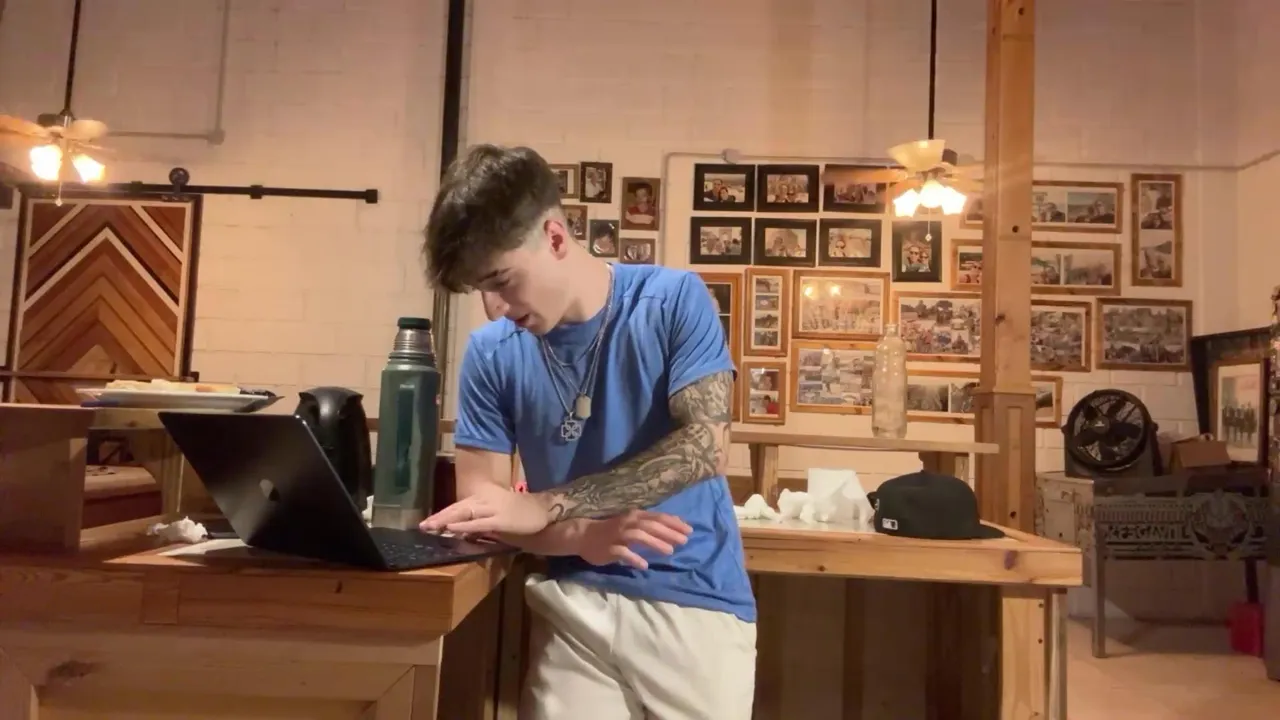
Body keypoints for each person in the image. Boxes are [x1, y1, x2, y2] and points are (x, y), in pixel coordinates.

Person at [420, 144, 756, 720]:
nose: (494, 308)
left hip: (697, 602)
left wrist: (548, 505)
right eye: (479, 289)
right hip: (573, 600)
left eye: (502, 280)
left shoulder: (673, 300)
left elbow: (704, 449)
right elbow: (486, 509)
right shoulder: (491, 353)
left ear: (554, 237)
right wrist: (578, 537)